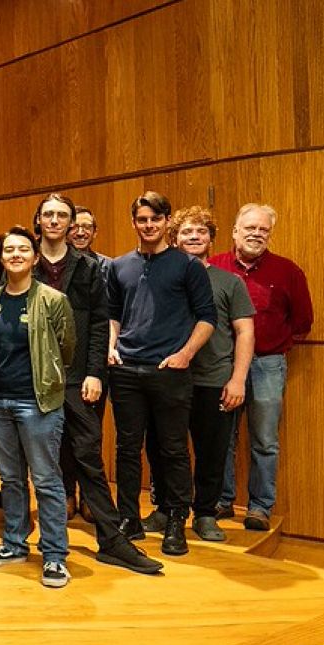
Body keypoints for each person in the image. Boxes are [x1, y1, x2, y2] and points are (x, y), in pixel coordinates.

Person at [31, 194, 162, 574]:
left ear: (71, 223)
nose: (55, 221)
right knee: (39, 462)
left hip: (76, 378)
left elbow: (99, 324)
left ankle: (111, 539)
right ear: (38, 221)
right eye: (48, 215)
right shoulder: (25, 263)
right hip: (34, 380)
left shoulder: (88, 268)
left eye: (62, 215)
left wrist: (94, 373)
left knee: (88, 457)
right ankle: (29, 539)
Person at [106, 191, 215, 557]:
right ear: (134, 222)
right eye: (142, 219)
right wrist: (111, 346)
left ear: (167, 222)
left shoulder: (187, 266)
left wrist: (185, 354)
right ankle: (128, 519)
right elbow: (114, 314)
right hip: (126, 371)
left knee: (172, 450)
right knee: (126, 448)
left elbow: (207, 318)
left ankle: (175, 521)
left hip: (170, 371)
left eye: (155, 219)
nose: (148, 225)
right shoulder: (119, 266)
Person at [140, 207, 255, 542]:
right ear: (173, 237)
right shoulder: (161, 276)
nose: (193, 237)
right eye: (187, 231)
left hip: (213, 379)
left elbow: (244, 332)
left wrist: (237, 379)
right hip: (168, 377)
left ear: (211, 238)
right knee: (162, 447)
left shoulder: (229, 281)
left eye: (201, 231)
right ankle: (166, 509)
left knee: (212, 450)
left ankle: (205, 513)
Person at [0, 226, 75, 587]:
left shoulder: (52, 300)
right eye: (9, 250)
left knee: (47, 480)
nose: (16, 254)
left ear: (35, 257)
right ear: (1, 257)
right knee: (10, 479)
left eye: (23, 249)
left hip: (38, 404)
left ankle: (54, 555)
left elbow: (66, 349)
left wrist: (46, 383)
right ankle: (14, 543)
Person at [211, 204, 312, 531]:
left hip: (268, 365)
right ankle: (222, 500)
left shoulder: (288, 271)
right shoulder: (214, 267)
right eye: (250, 228)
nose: (257, 234)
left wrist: (272, 348)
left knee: (265, 439)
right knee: (221, 436)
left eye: (264, 230)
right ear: (235, 232)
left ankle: (259, 507)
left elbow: (302, 322)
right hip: (223, 363)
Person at [68, 206, 111, 272]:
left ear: (95, 232)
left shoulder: (108, 266)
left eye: (87, 227)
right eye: (74, 227)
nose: (80, 233)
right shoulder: (54, 265)